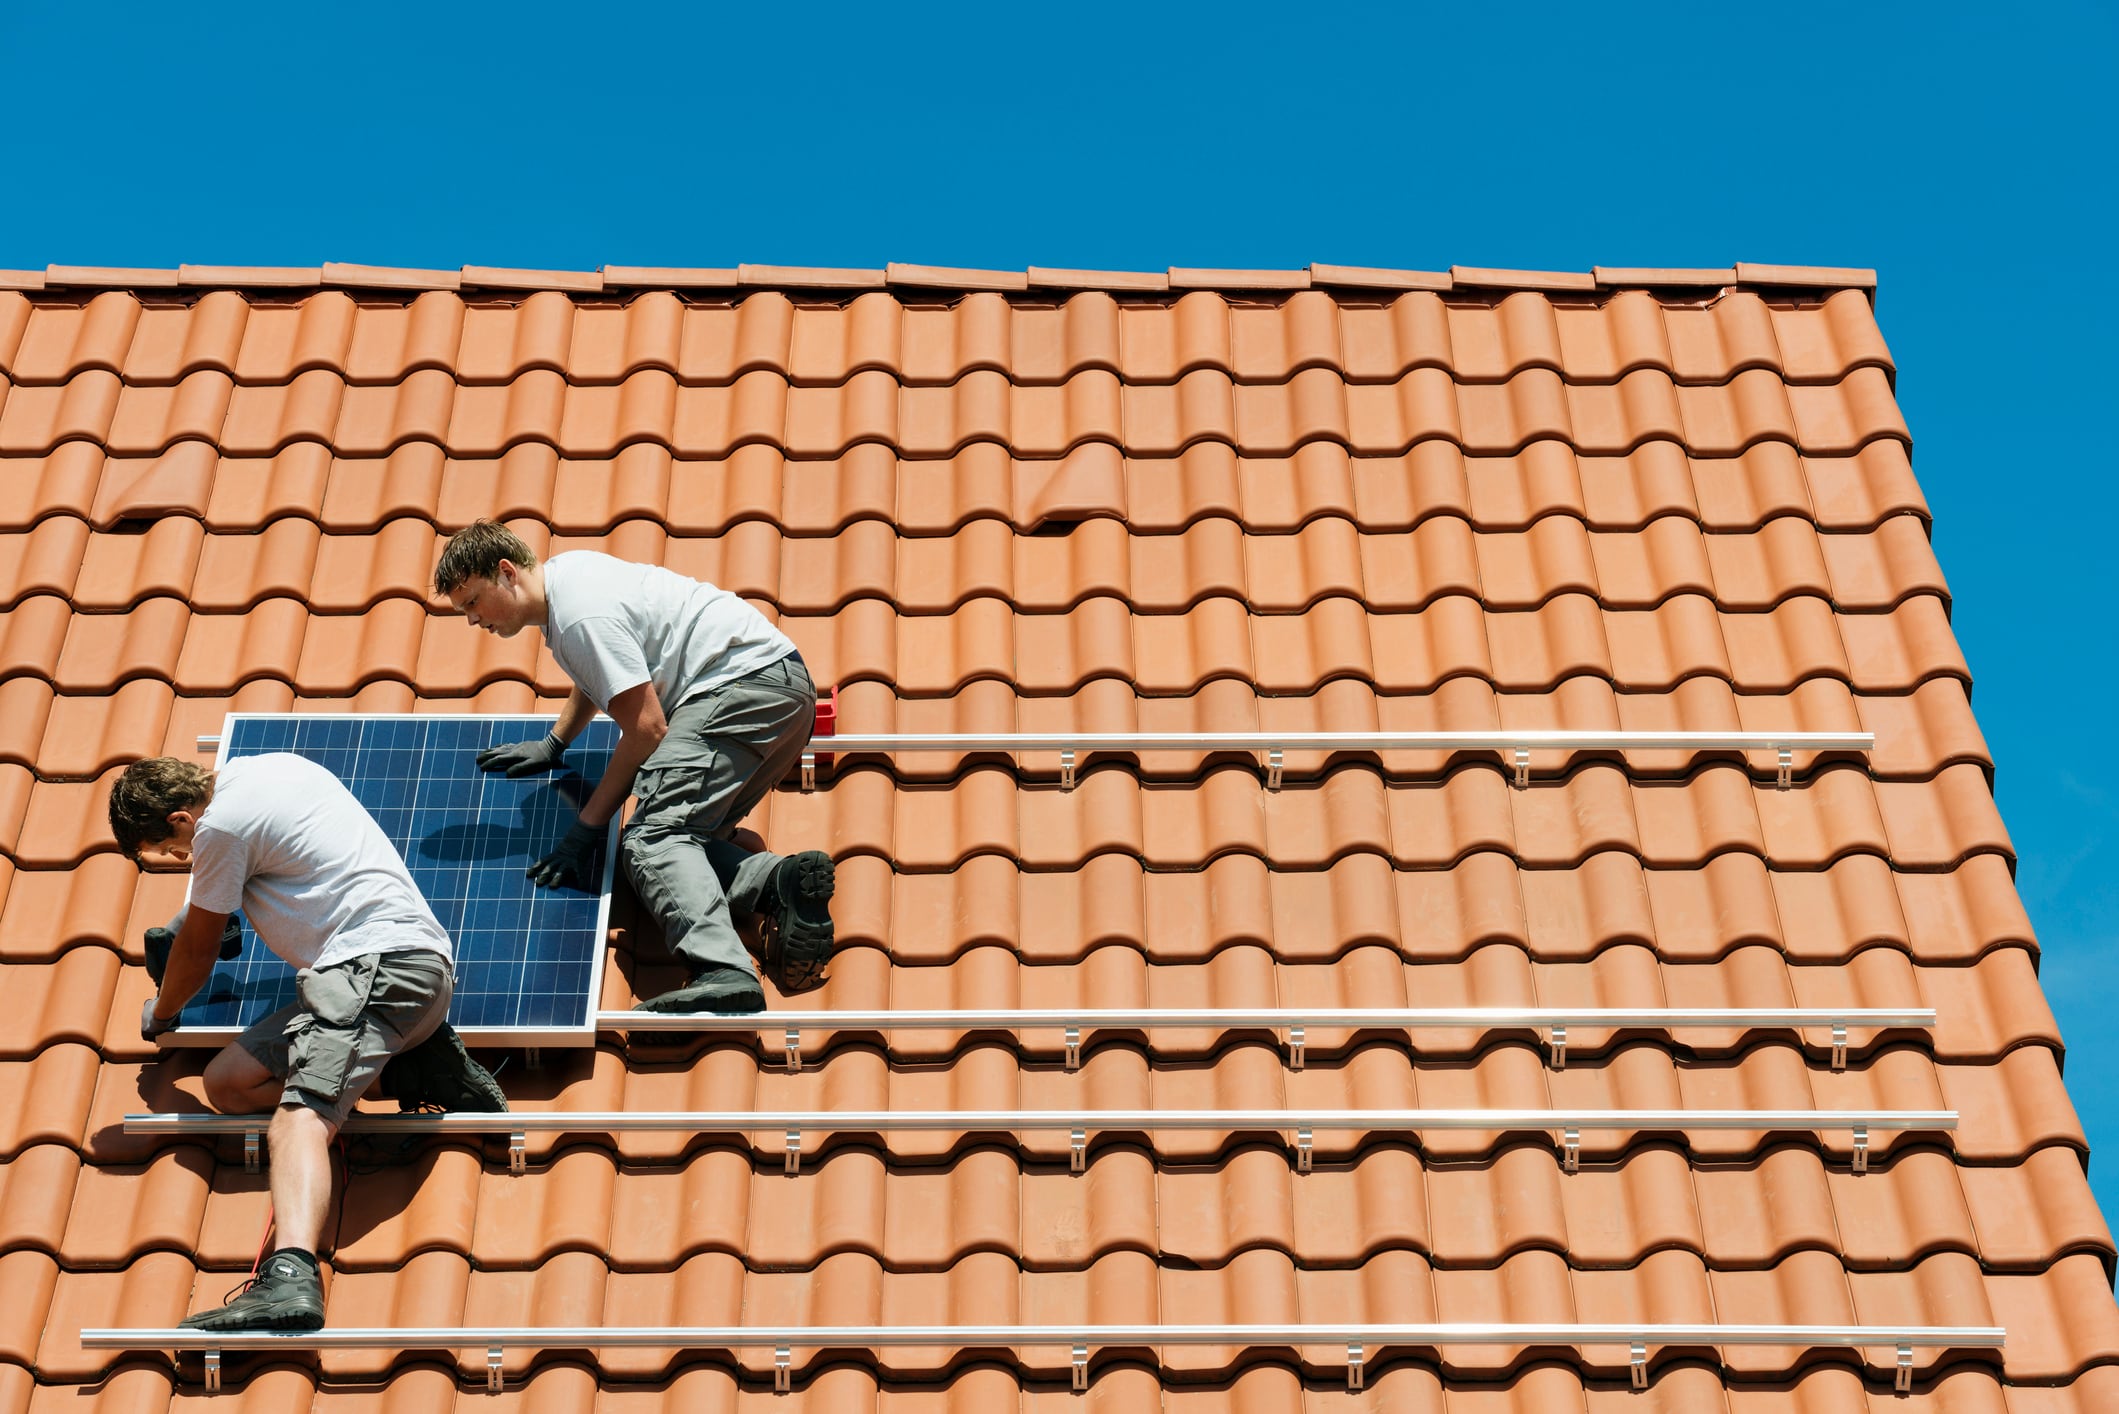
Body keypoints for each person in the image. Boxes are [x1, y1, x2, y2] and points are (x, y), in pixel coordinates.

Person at [107, 754, 508, 1331]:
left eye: (175, 850)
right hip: (387, 979)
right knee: (228, 1083)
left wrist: (163, 1010)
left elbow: (197, 948)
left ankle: (292, 1276)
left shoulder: (218, 829)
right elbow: (279, 862)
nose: (185, 861)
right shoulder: (268, 769)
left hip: (374, 971)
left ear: (178, 818)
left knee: (300, 1119)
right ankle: (417, 1070)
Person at [433, 521, 834, 1015]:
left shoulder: (578, 616)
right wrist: (555, 742)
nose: (473, 620)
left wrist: (586, 828)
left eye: (472, 602)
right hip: (784, 693)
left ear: (506, 572)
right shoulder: (568, 578)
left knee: (651, 841)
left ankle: (722, 969)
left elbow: (646, 728)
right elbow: (603, 670)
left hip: (736, 690)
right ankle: (779, 881)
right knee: (686, 843)